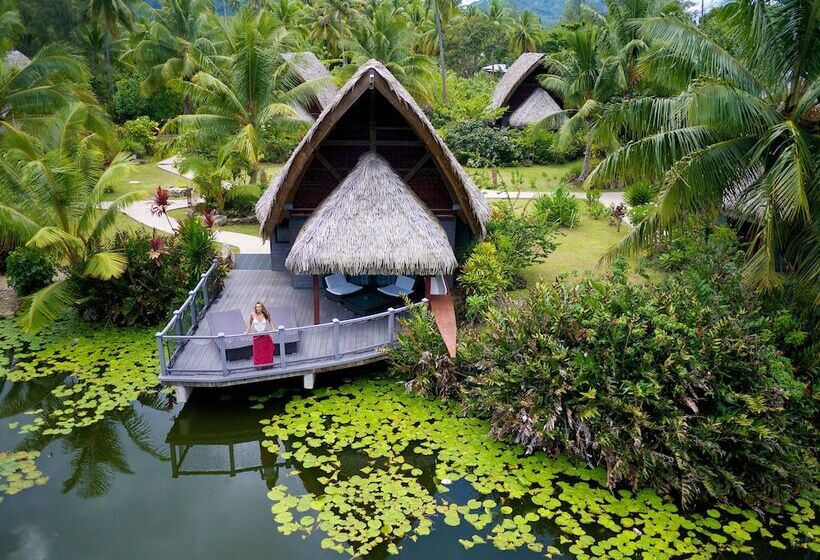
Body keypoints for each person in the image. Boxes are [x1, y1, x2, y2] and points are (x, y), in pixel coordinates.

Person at [245, 302, 274, 366]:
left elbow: (270, 321)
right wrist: (247, 331)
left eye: (259, 307)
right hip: (257, 337)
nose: (257, 308)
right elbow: (250, 323)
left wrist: (273, 328)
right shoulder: (253, 314)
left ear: (262, 307)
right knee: (258, 352)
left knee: (266, 351)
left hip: (265, 335)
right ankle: (259, 366)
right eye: (256, 307)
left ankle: (268, 365)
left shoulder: (266, 314)